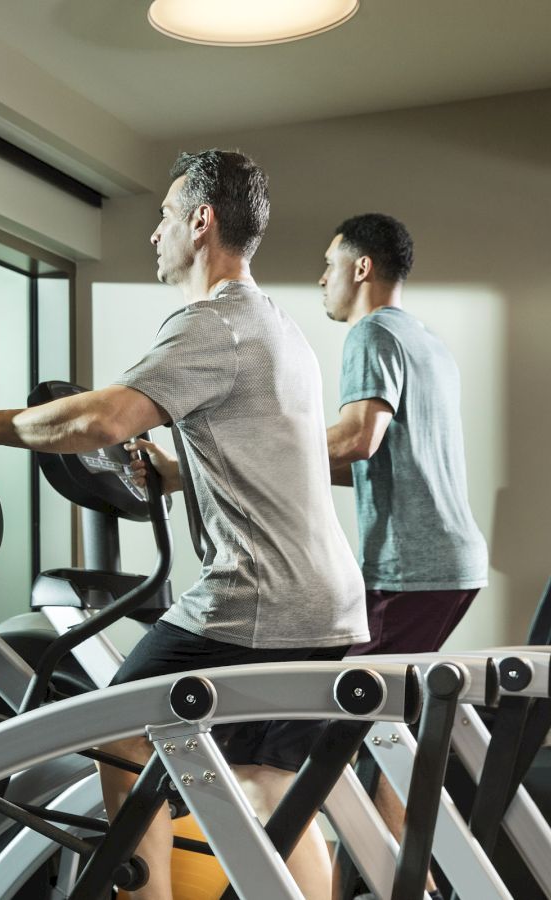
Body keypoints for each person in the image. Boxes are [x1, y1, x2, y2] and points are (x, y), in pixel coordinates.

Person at [0, 149, 367, 900]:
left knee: (117, 726)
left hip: (255, 604)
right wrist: (171, 470)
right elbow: (261, 452)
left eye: (165, 218)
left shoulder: (213, 323)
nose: (154, 234)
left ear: (201, 222)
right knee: (269, 785)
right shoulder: (277, 327)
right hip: (328, 605)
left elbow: (102, 418)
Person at [321, 214, 488, 900]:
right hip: (448, 564)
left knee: (337, 724)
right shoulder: (425, 342)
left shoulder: (372, 332)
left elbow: (357, 439)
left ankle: (395, 885)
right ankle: (390, 885)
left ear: (361, 267)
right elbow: (372, 461)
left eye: (328, 264)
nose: (322, 280)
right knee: (382, 730)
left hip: (410, 569)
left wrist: (254, 450)